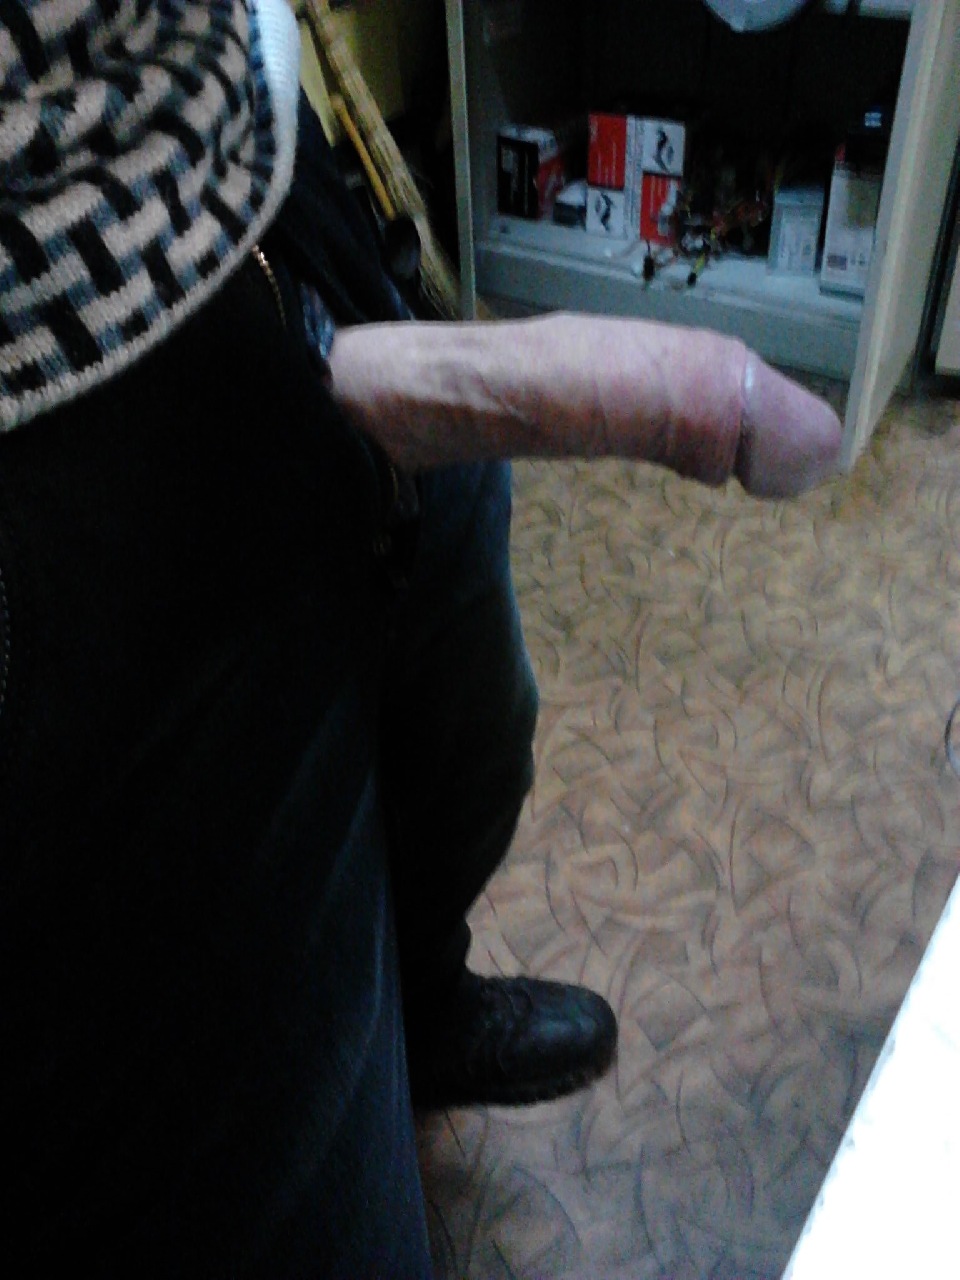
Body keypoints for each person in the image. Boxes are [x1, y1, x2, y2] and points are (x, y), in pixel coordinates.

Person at [0, 1, 840, 1275]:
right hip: (58, 384)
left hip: (241, 146)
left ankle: (426, 997)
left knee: (462, 673)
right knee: (284, 1172)